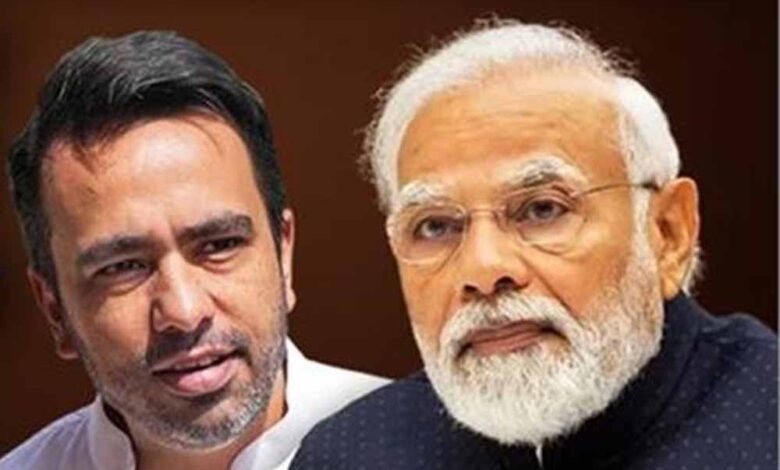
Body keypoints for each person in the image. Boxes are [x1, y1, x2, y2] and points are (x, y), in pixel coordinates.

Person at [291, 20, 778, 469]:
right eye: (435, 226)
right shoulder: (351, 453)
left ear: (668, 233)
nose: (483, 270)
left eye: (542, 210)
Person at [0, 31, 387, 470]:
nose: (184, 312)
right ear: (55, 310)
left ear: (283, 257)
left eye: (219, 246)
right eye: (124, 267)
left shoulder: (430, 449)